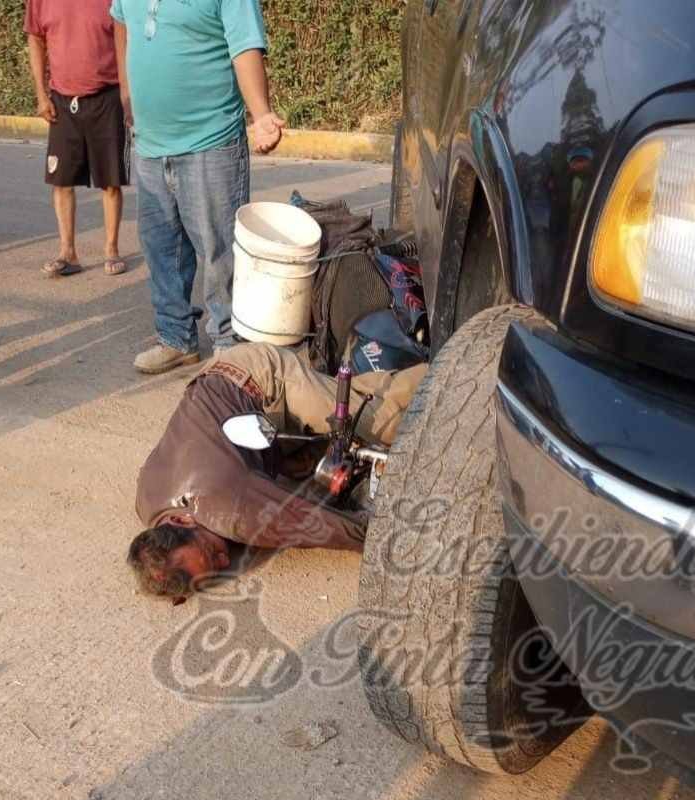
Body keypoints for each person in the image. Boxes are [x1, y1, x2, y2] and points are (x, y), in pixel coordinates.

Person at [128, 343, 426, 598]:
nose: (225, 561)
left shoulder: (223, 508)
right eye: (215, 570)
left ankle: (447, 369)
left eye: (211, 553)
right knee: (318, 457)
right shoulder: (146, 503)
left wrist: (387, 537)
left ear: (180, 519)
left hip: (258, 378)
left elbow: (316, 524)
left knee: (385, 424)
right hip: (228, 401)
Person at [111, 0, 285, 375]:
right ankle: (176, 338)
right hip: (150, 142)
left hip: (211, 140)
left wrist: (261, 114)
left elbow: (245, 46)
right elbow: (121, 23)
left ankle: (230, 345)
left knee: (219, 250)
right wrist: (126, 91)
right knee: (162, 251)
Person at [24, 0, 128, 279]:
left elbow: (125, 39)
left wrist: (127, 95)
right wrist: (41, 95)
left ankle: (112, 250)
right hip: (61, 99)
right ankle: (67, 253)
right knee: (61, 181)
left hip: (107, 97)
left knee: (110, 181)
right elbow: (35, 39)